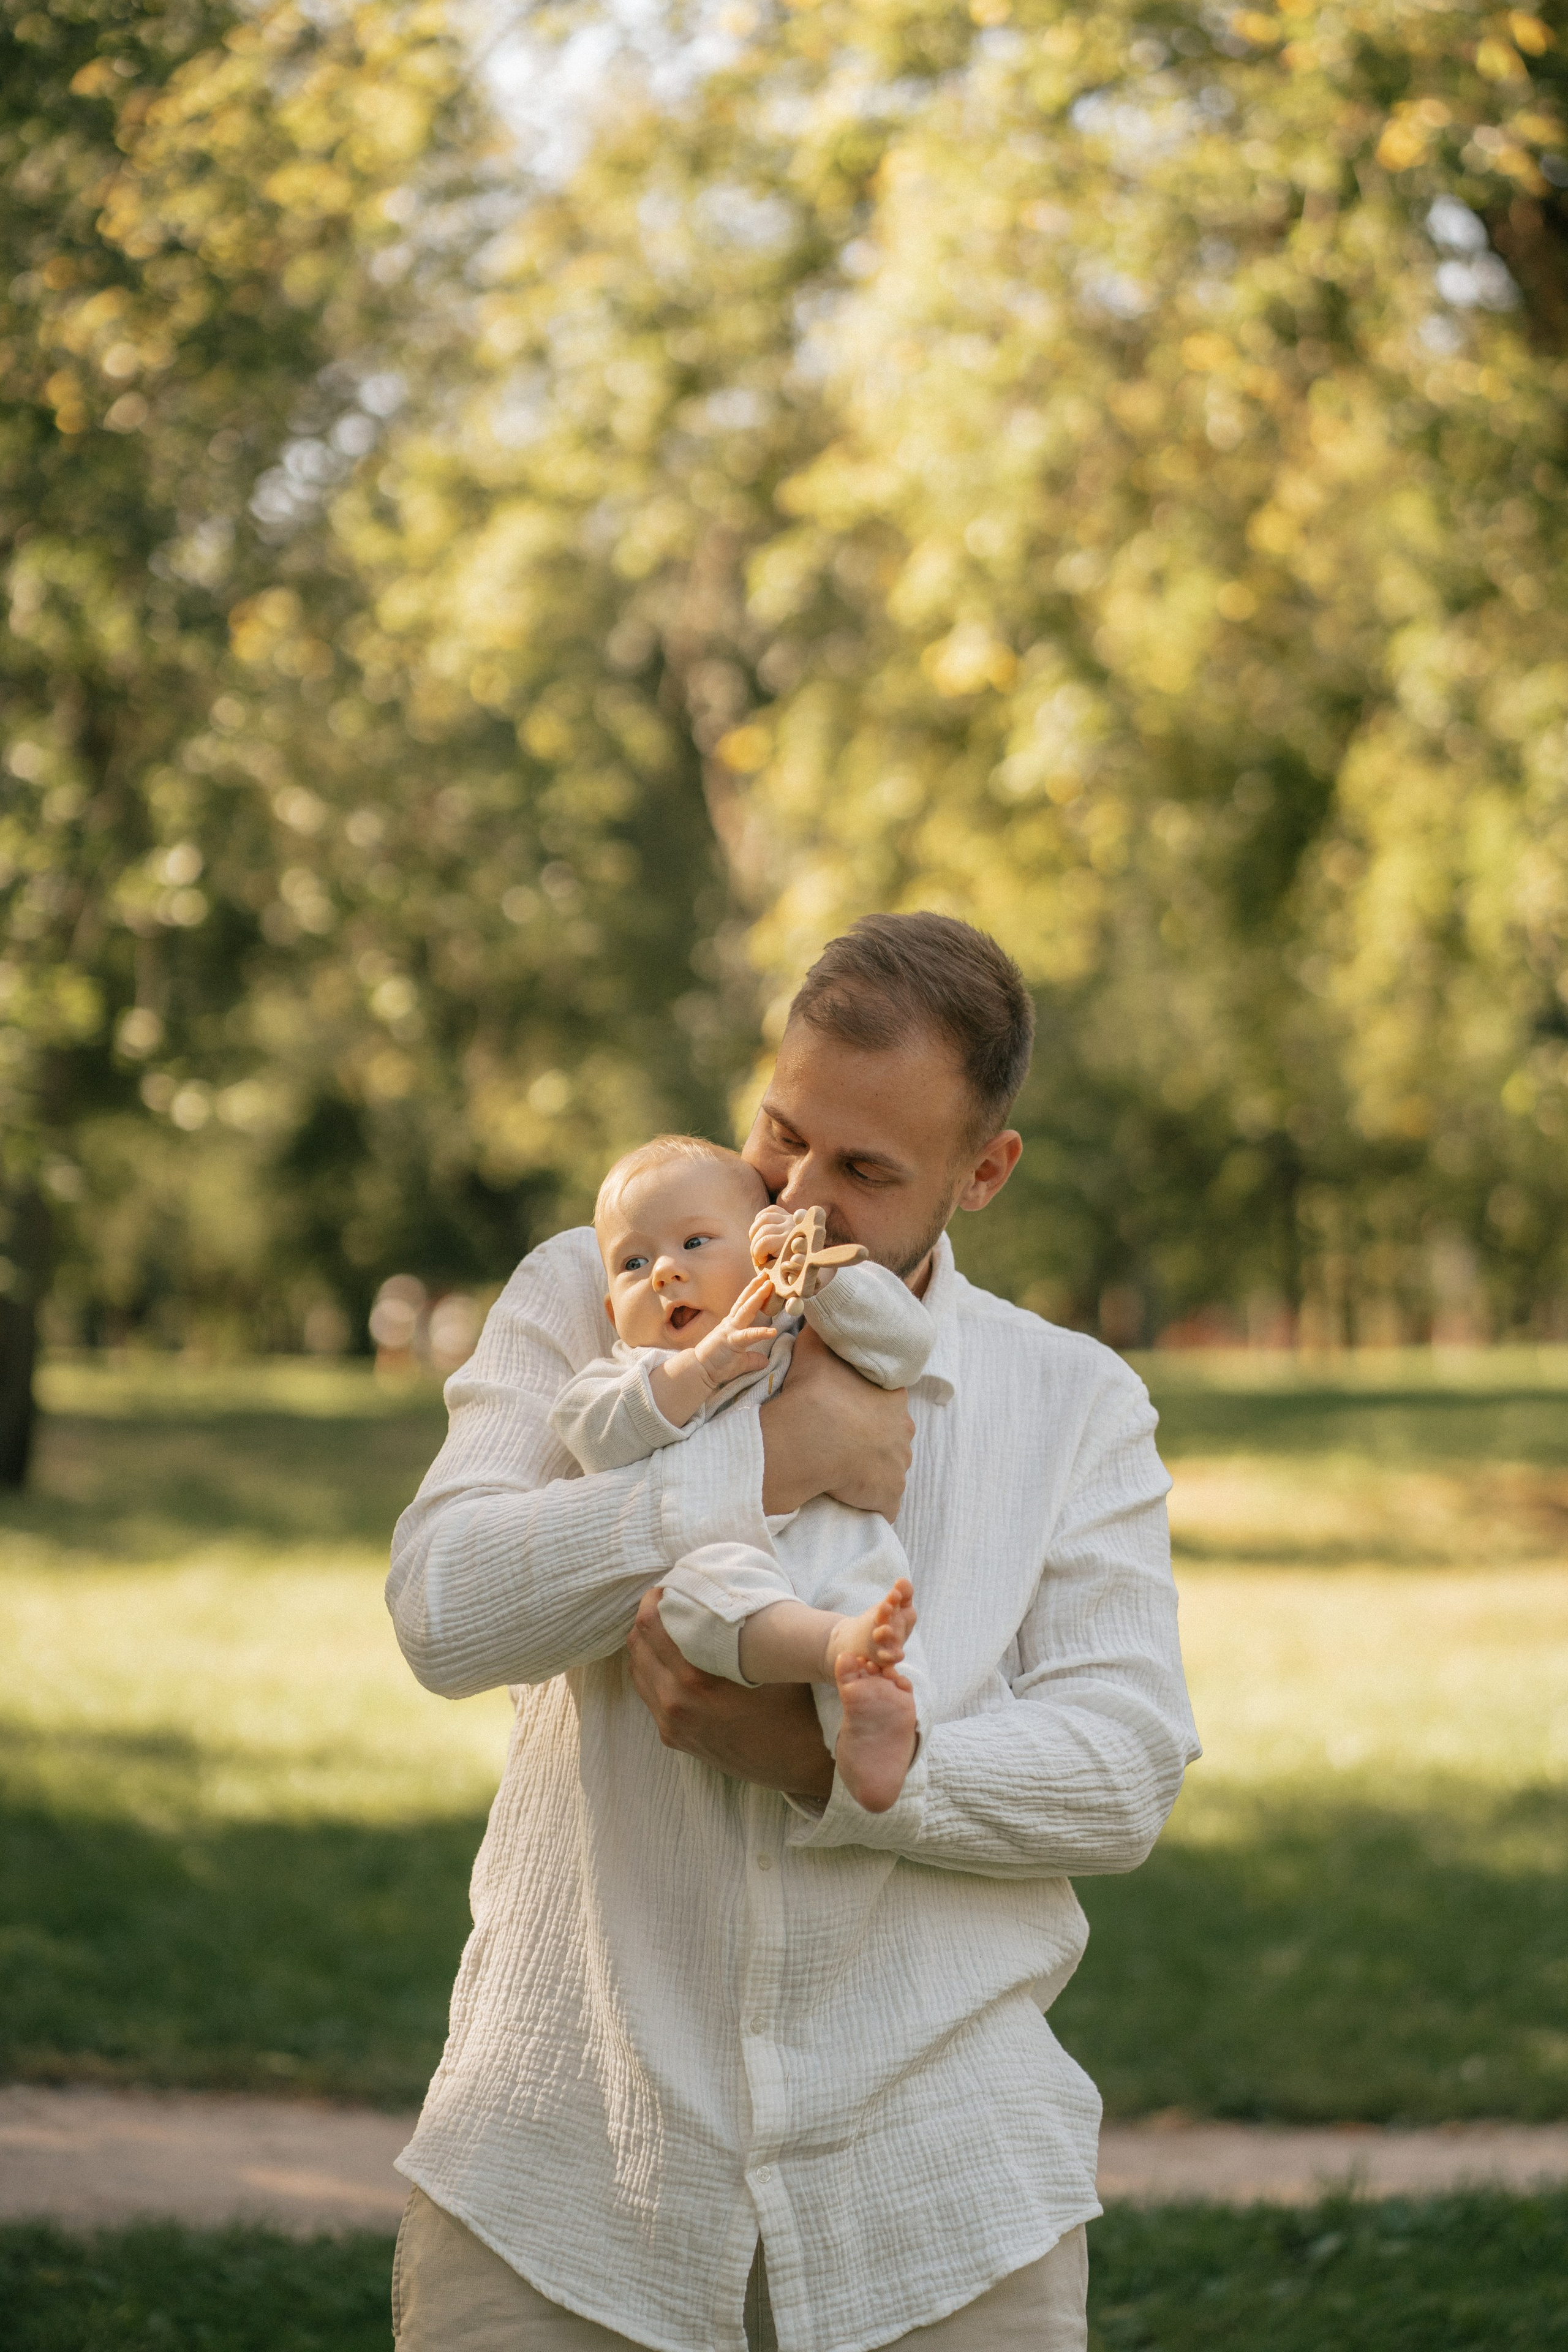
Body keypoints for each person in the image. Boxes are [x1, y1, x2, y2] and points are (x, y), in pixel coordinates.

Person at [385, 911, 1200, 2352]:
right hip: (566, 2188)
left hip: (943, 2211)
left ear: (983, 1170)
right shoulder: (597, 1287)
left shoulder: (1071, 1400)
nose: (797, 1200)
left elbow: (1124, 1763)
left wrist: (834, 1766)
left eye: (867, 1169)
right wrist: (756, 1469)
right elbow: (443, 1608)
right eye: (782, 1135)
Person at [549, 1133, 934, 1812]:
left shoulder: (796, 1328)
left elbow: (905, 1345)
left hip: (831, 1539)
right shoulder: (631, 1372)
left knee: (878, 1612)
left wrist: (823, 1279)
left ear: (762, 1251)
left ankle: (873, 1730)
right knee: (693, 1605)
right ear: (613, 1311)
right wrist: (693, 1372)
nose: (664, 1272)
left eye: (695, 1243)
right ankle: (833, 1650)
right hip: (722, 1565)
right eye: (633, 1263)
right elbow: (593, 1437)